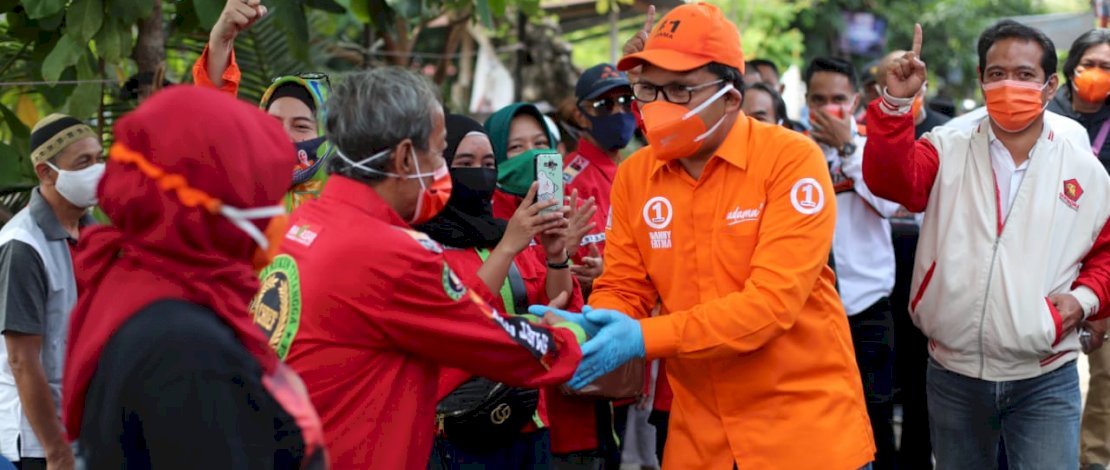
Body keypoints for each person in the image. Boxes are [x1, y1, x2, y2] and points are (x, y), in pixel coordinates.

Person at [536, 4, 876, 468]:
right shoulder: (637, 175)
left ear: (731, 99)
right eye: (649, 88)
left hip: (803, 436)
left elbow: (770, 306)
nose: (657, 104)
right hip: (699, 440)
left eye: (679, 89)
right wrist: (596, 326)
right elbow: (624, 286)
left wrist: (640, 337)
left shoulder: (790, 160)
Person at [269, 68, 586, 469]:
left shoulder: (303, 224)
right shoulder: (388, 252)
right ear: (404, 157)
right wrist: (579, 335)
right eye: (439, 153)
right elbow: (499, 342)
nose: (443, 169)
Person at [864, 21, 1110, 469]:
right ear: (980, 79)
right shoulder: (946, 146)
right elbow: (891, 182)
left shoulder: (1082, 166)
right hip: (953, 374)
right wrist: (896, 104)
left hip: (1044, 375)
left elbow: (1106, 251)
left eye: (1023, 74)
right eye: (996, 74)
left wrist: (1083, 301)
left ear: (1050, 85)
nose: (1008, 85)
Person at [61, 86, 326, 468]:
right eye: (258, 196)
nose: (274, 216)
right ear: (211, 207)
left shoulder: (131, 279)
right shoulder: (189, 352)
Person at [415, 114, 589, 468]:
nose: (479, 172)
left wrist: (556, 256)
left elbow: (557, 304)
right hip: (464, 425)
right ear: (439, 168)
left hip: (530, 420)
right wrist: (509, 246)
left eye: (488, 163)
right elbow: (458, 316)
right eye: (465, 163)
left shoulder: (507, 233)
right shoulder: (422, 245)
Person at [805, 56, 900, 470]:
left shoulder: (873, 149)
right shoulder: (791, 153)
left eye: (839, 99)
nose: (830, 108)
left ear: (857, 100)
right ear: (806, 102)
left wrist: (847, 149)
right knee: (817, 419)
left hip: (867, 307)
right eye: (819, 99)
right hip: (807, 312)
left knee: (875, 415)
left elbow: (890, 202)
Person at [0, 114, 101, 470]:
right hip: (36, 446)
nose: (97, 170)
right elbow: (22, 361)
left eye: (98, 158)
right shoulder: (23, 245)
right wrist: (56, 451)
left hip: (83, 435)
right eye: (83, 162)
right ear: (45, 173)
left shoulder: (95, 235)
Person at [872, 48, 952, 470]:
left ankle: (918, 460)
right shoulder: (871, 132)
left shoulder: (945, 134)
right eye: (892, 73)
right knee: (885, 379)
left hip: (929, 269)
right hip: (880, 274)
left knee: (924, 380)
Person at [192, 0, 333, 210]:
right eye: (272, 123)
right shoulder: (240, 186)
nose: (283, 136)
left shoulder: (346, 201)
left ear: (330, 133)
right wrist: (220, 42)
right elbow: (213, 118)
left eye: (301, 126)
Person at [1046, 28, 1110, 470]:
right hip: (1054, 260)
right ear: (1070, 68)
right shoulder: (1045, 117)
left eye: (1107, 67)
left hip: (1105, 261)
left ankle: (1092, 462)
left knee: (1105, 378)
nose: (1097, 74)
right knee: (1049, 372)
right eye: (1090, 63)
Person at [562, 63, 637, 291]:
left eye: (626, 101)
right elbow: (583, 260)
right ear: (581, 116)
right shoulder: (571, 179)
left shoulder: (634, 165)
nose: (618, 112)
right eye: (604, 105)